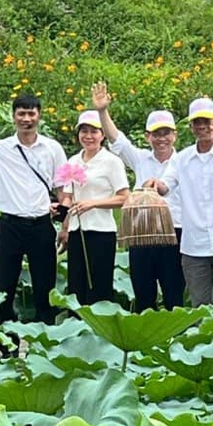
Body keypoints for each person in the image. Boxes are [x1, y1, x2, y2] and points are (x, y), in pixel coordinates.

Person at [0, 93, 67, 325]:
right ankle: (7, 343)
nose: (26, 118)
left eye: (31, 113)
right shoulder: (0, 148)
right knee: (4, 290)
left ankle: (44, 342)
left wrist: (65, 226)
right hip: (9, 226)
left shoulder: (53, 148)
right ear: (13, 117)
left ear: (39, 116)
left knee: (45, 288)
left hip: (41, 225)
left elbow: (63, 190)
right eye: (21, 113)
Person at [94, 83, 187, 312]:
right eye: (156, 134)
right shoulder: (140, 159)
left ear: (175, 135)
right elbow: (117, 140)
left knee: (174, 294)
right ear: (148, 136)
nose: (161, 138)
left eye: (166, 133)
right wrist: (102, 111)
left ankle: (176, 344)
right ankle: (146, 345)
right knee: (144, 296)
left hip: (175, 233)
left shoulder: (185, 160)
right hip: (142, 234)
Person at [154, 97, 213, 308]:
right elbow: (165, 186)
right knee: (200, 307)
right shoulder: (182, 159)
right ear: (191, 126)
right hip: (194, 246)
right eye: (197, 122)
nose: (203, 126)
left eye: (207, 121)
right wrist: (154, 185)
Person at [62, 109, 128, 305]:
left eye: (94, 131)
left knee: (99, 285)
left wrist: (93, 204)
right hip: (77, 231)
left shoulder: (112, 162)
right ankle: (77, 329)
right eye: (84, 131)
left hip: (101, 232)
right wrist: (60, 209)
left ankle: (99, 330)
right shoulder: (73, 161)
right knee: (76, 284)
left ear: (103, 135)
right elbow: (68, 196)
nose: (88, 136)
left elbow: (124, 197)